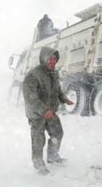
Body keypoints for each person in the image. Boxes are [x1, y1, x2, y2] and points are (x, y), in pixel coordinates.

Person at [23, 46, 74, 175]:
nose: (52, 61)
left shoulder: (53, 73)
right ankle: (38, 164)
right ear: (43, 58)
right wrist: (43, 109)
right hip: (36, 114)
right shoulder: (33, 75)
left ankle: (52, 156)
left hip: (50, 112)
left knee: (58, 133)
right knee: (38, 140)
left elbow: (57, 90)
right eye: (49, 59)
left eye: (54, 59)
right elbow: (30, 97)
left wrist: (64, 99)